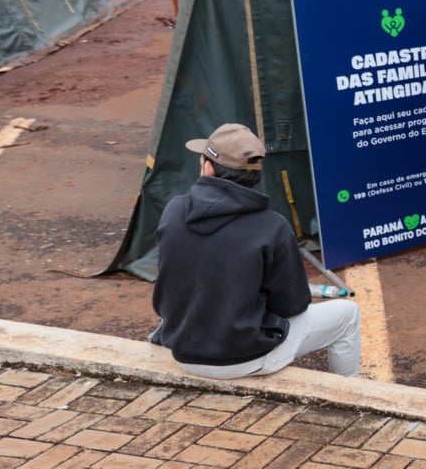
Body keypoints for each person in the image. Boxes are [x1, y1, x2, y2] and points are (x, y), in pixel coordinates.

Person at [151, 124, 361, 379]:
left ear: (208, 167)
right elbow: (292, 305)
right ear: (255, 175)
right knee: (348, 315)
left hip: (183, 350)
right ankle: (350, 393)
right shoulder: (273, 226)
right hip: (244, 359)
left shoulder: (173, 210)